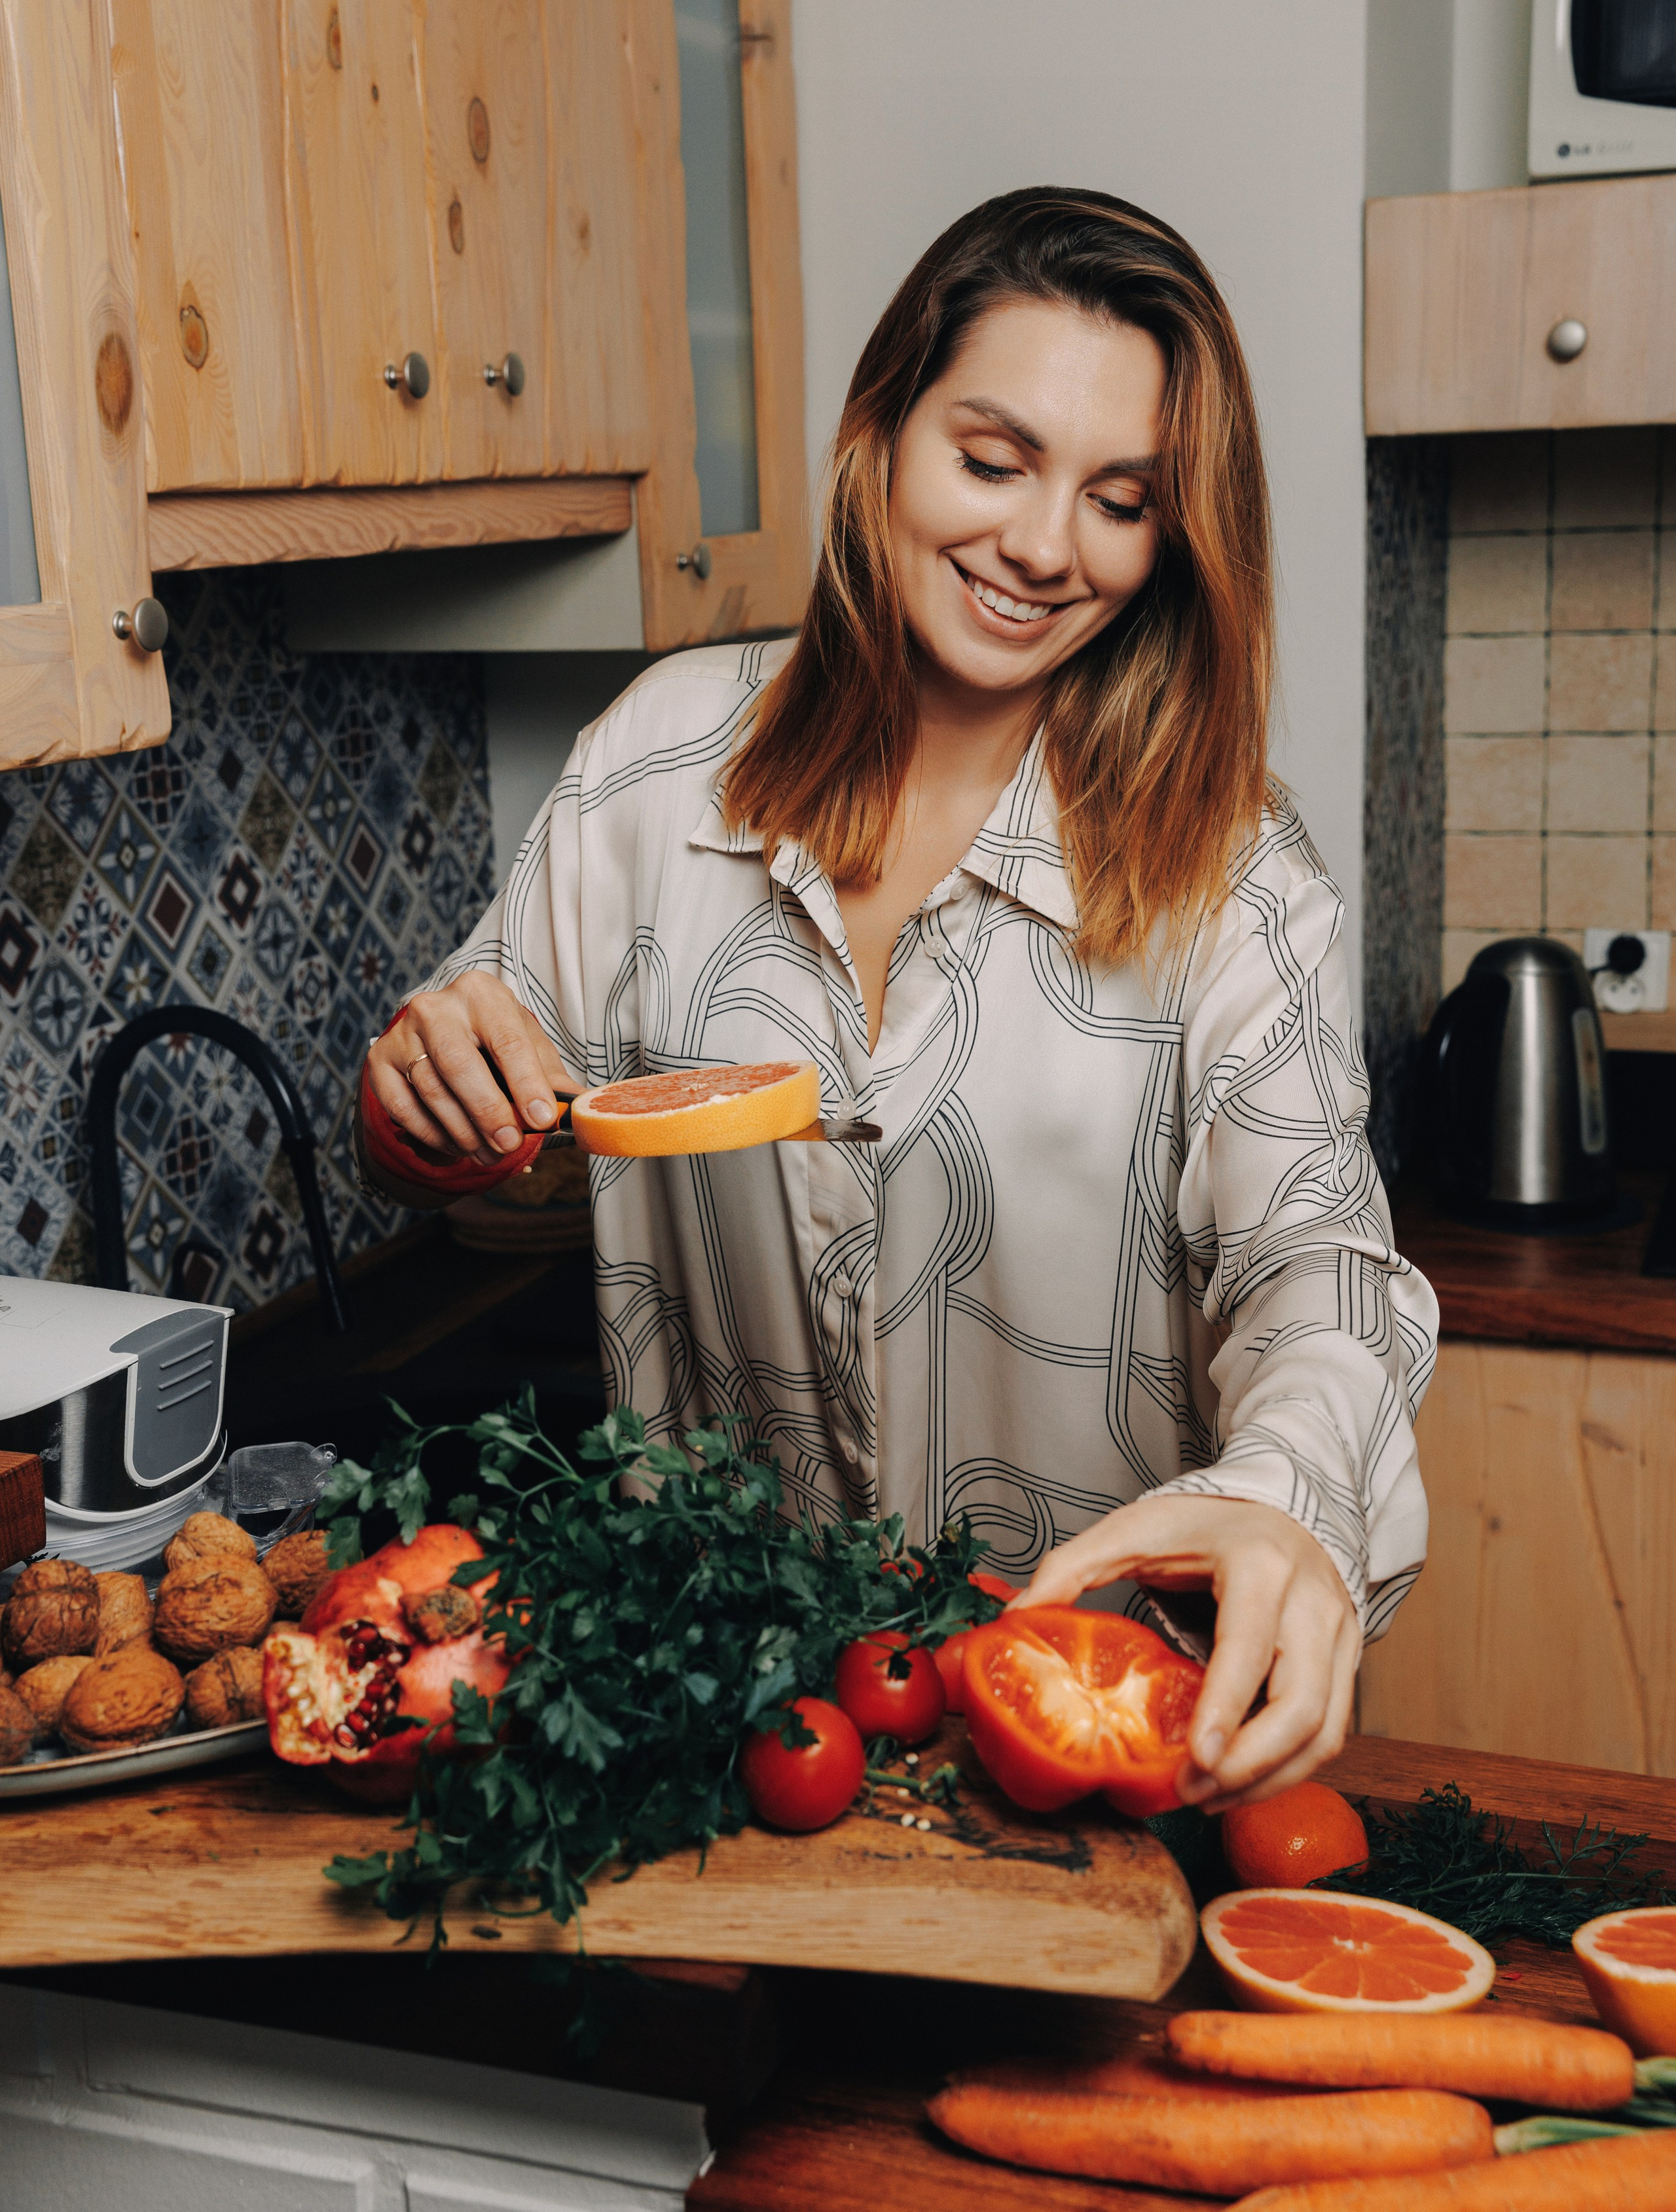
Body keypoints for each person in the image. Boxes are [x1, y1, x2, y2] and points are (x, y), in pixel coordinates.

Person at [359, 187, 1437, 1813]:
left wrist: (1289, 1494)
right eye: (991, 460)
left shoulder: (1230, 868)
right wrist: (425, 1095)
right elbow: (464, 1091)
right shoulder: (656, 762)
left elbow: (1318, 1263)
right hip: (721, 1735)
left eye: (1118, 499)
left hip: (1074, 1751)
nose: (1039, 545)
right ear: (880, 435)